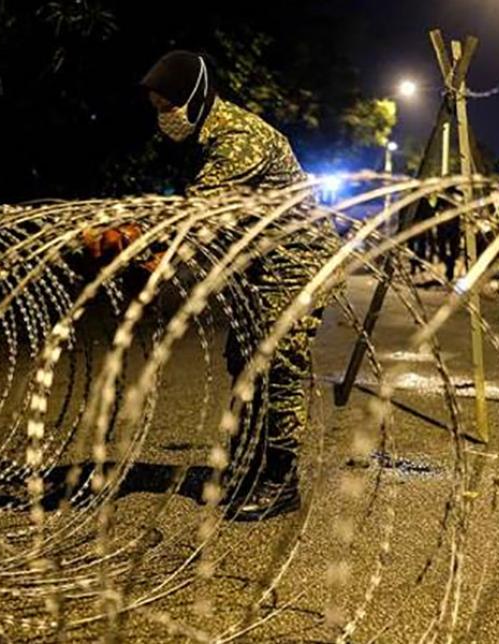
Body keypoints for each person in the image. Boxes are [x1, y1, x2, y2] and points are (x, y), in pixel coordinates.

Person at [140, 50, 334, 521]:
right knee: (245, 360)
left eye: (168, 106)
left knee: (277, 362)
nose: (164, 116)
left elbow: (199, 210)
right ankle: (251, 462)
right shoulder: (212, 135)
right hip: (262, 262)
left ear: (195, 96)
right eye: (158, 107)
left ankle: (281, 480)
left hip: (297, 261)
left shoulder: (238, 137)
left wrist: (138, 240)